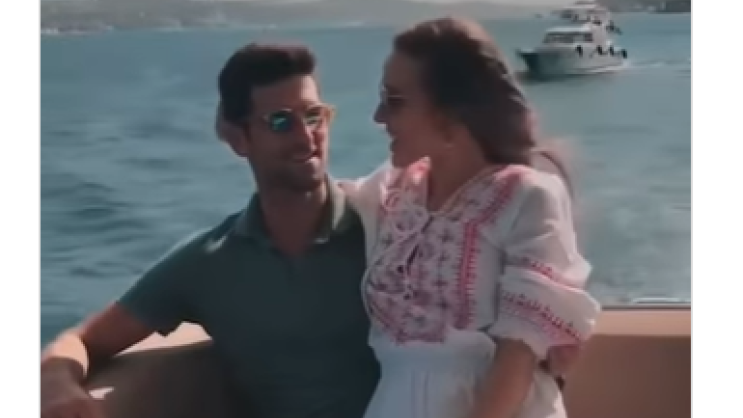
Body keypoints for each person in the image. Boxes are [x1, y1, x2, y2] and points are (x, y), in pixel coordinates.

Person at [40, 42, 581, 418]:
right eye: (280, 121)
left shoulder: (390, 225)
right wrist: (55, 383)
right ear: (236, 137)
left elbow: (508, 280)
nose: (306, 137)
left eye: (314, 115)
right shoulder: (209, 263)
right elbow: (83, 340)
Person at [339, 17, 601, 418]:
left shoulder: (527, 196)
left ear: (450, 113)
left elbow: (518, 355)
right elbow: (320, 202)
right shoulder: (389, 191)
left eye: (394, 100)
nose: (378, 116)